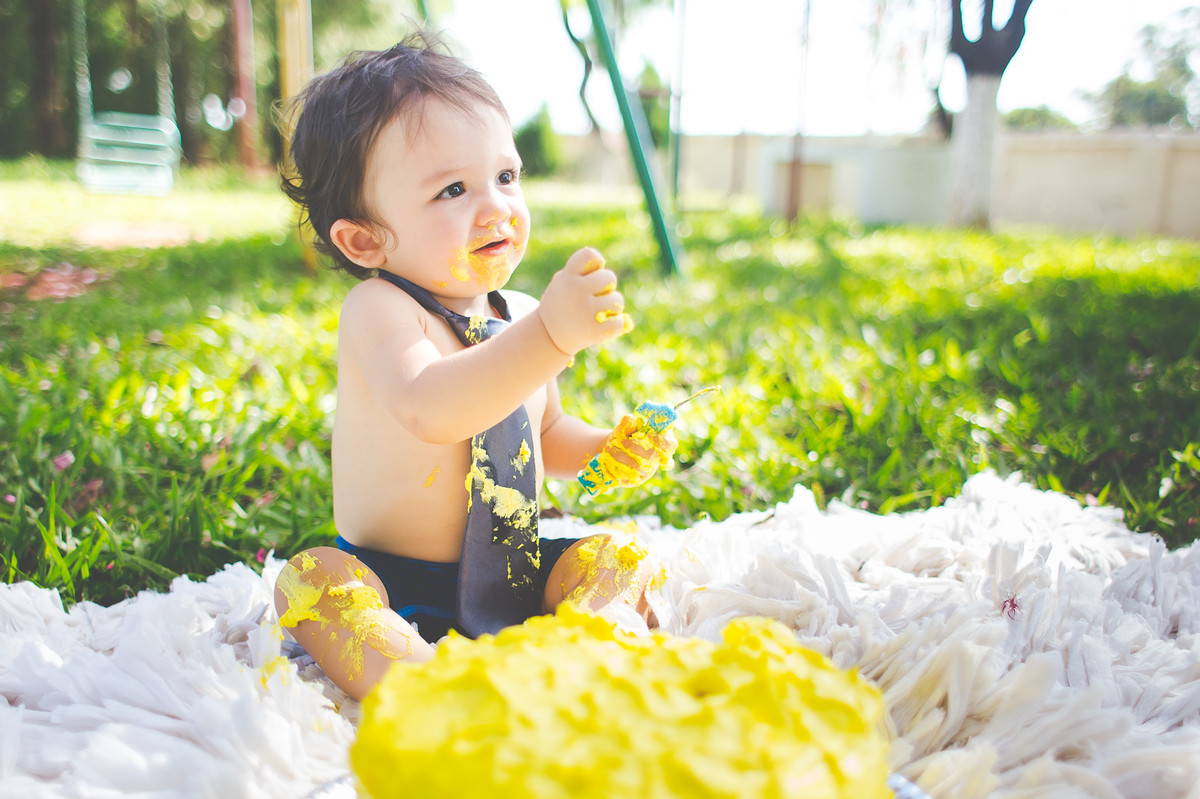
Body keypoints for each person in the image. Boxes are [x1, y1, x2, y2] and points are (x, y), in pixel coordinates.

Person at [273, 32, 677, 701]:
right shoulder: (380, 311)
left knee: (619, 559)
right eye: (453, 189)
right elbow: (433, 405)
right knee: (312, 580)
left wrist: (608, 448)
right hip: (393, 578)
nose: (495, 206)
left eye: (506, 176)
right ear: (364, 238)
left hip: (516, 569)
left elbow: (541, 434)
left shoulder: (515, 312)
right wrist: (550, 335)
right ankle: (421, 682)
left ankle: (579, 645)